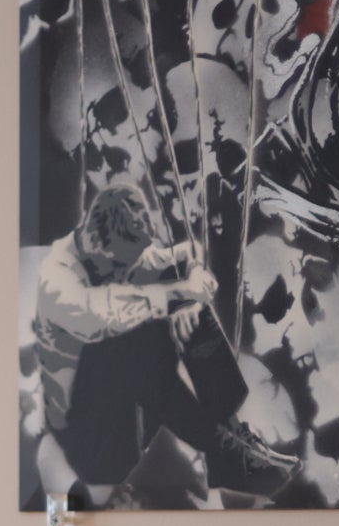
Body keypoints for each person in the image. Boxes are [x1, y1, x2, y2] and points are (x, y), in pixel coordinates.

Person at [33, 181, 297, 498]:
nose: (124, 273)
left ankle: (229, 433)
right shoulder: (56, 278)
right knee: (137, 328)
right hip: (90, 443)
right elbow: (103, 314)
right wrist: (179, 297)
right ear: (93, 241)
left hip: (129, 415)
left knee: (174, 292)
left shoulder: (111, 251)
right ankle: (223, 451)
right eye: (120, 267)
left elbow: (182, 256)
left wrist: (192, 288)